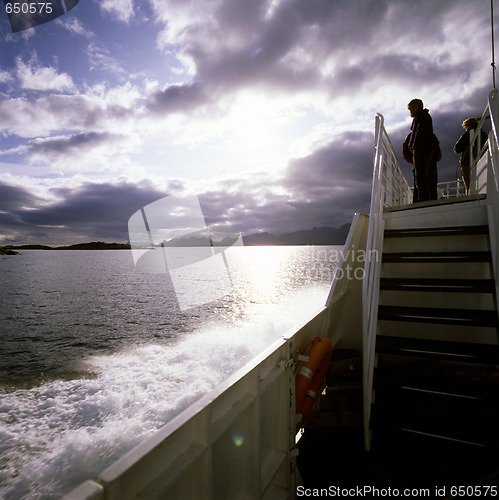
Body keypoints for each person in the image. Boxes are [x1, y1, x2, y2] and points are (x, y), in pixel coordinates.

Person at [403, 99, 437, 202]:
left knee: (421, 178)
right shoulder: (419, 118)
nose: (411, 110)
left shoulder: (422, 117)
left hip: (422, 149)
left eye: (412, 107)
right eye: (410, 108)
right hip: (421, 149)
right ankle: (425, 200)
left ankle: (424, 201)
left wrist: (414, 146)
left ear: (417, 106)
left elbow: (421, 133)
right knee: (422, 177)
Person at [454, 117, 488, 195]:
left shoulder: (467, 134)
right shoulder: (484, 134)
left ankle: (469, 195)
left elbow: (457, 148)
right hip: (483, 162)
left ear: (467, 126)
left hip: (468, 163)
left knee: (469, 185)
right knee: (483, 180)